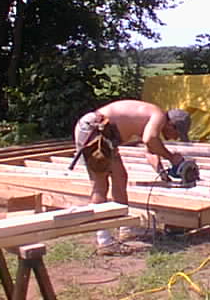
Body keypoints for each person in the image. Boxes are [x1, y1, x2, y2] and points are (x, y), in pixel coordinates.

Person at [72, 99, 192, 253]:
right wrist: (171, 157)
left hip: (106, 134)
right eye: (177, 134)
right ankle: (104, 241)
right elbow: (150, 139)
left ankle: (125, 229)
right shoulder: (159, 116)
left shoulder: (152, 120)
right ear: (171, 125)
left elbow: (150, 150)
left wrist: (160, 170)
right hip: (94, 130)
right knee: (100, 186)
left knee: (120, 178)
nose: (175, 138)